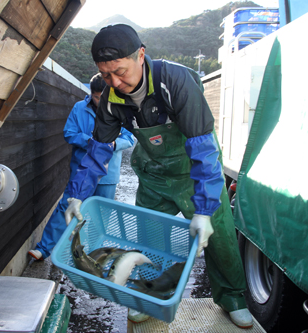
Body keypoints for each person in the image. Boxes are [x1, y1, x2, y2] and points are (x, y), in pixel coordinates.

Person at [63, 24, 253, 328]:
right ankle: (146, 297)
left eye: (120, 71)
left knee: (219, 237)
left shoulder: (174, 81)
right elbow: (99, 150)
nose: (114, 81)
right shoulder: (111, 98)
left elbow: (204, 150)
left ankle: (233, 297)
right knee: (148, 238)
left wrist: (204, 210)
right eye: (106, 75)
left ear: (140, 55)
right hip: (153, 175)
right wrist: (78, 194)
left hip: (195, 174)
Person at [28, 73, 135, 260]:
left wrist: (114, 144)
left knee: (101, 217)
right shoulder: (79, 108)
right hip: (80, 172)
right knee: (65, 207)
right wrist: (92, 142)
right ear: (91, 93)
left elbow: (129, 137)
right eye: (96, 96)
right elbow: (69, 133)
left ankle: (90, 255)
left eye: (105, 96)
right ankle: (43, 249)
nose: (101, 100)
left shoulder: (121, 109)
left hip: (108, 175)